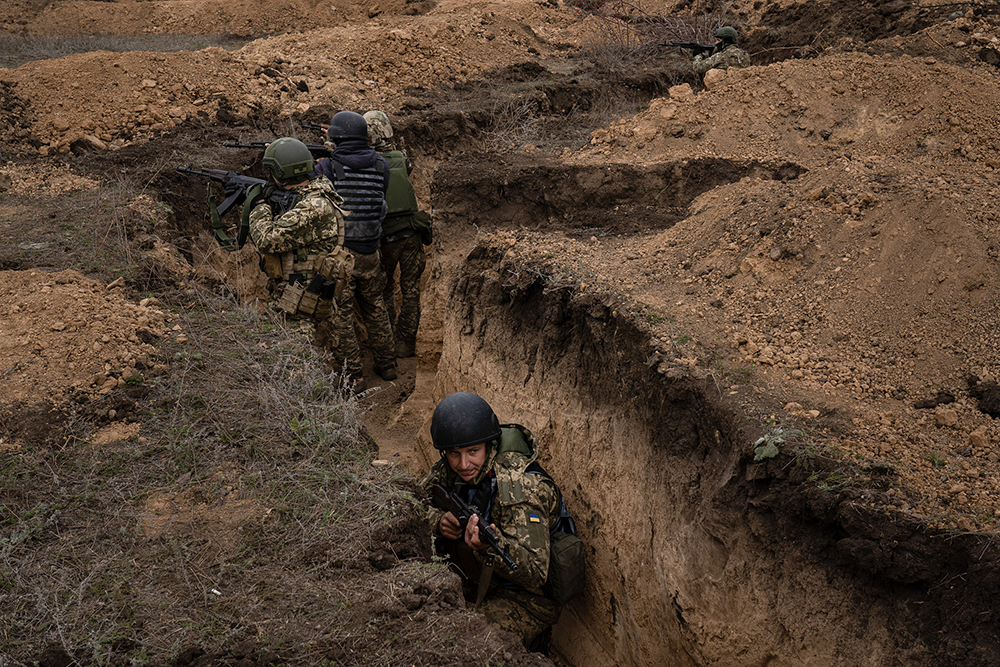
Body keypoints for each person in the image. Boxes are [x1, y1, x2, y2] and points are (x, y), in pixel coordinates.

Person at [420, 392, 573, 652]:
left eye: (473, 452)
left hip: (525, 601)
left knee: (467, 648)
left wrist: (489, 547)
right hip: (475, 579)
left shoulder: (520, 489)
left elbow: (536, 573)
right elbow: (413, 499)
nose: (464, 464)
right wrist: (437, 520)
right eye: (454, 454)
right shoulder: (450, 467)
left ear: (489, 445)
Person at [314, 111, 397, 388]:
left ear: (335, 137)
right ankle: (388, 365)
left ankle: (354, 376)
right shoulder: (381, 165)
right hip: (371, 251)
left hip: (342, 256)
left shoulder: (327, 167)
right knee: (376, 307)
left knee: (341, 315)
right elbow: (380, 203)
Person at [245, 137, 350, 353]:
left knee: (296, 362)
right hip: (296, 294)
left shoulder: (313, 206)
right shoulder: (311, 194)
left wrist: (259, 207)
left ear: (281, 173)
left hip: (302, 301)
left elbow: (267, 239)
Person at [364, 110, 430, 359]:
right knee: (411, 291)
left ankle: (388, 340)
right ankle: (406, 343)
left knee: (385, 288)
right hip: (412, 233)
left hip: (384, 236)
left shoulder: (367, 162)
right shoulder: (402, 157)